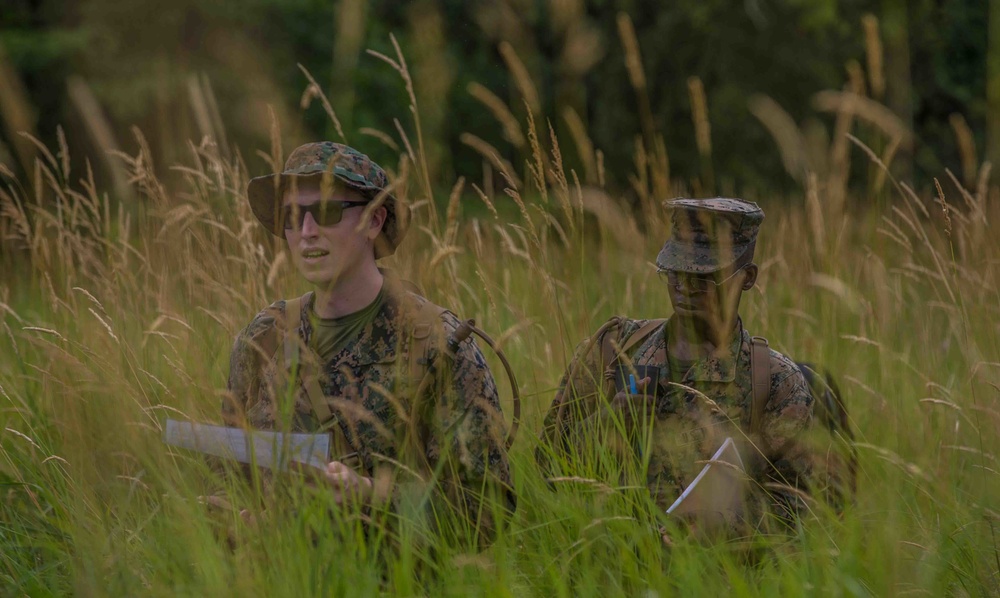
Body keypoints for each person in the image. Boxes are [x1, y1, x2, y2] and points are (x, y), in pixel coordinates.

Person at [223, 141, 514, 544]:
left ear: (374, 221)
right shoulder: (263, 339)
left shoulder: (438, 345)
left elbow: (486, 515)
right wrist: (241, 524)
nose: (307, 232)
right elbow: (227, 475)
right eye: (291, 217)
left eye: (325, 212)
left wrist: (372, 497)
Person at [538, 198, 849, 533]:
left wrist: (713, 530)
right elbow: (547, 465)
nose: (684, 289)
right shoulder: (614, 350)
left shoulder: (775, 381)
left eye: (704, 278)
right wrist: (606, 425)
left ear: (747, 277)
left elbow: (802, 509)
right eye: (675, 273)